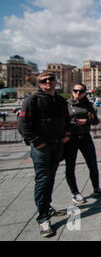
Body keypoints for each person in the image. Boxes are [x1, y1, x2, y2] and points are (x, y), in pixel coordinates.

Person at [18, 71, 71, 237]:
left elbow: (67, 119)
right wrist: (36, 141)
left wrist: (66, 135)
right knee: (42, 180)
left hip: (57, 145)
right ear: (39, 84)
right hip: (41, 147)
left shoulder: (60, 100)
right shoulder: (31, 100)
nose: (48, 82)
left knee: (51, 177)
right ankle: (43, 219)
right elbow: (23, 124)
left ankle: (47, 207)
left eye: (51, 79)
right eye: (44, 80)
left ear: (56, 82)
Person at [64, 83, 101, 205]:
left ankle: (96, 187)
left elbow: (96, 120)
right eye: (75, 91)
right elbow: (61, 121)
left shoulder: (88, 104)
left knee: (92, 163)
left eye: (81, 91)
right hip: (71, 139)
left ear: (85, 92)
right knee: (70, 166)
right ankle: (75, 193)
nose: (78, 93)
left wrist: (86, 121)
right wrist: (71, 124)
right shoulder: (66, 104)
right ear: (72, 91)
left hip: (85, 137)